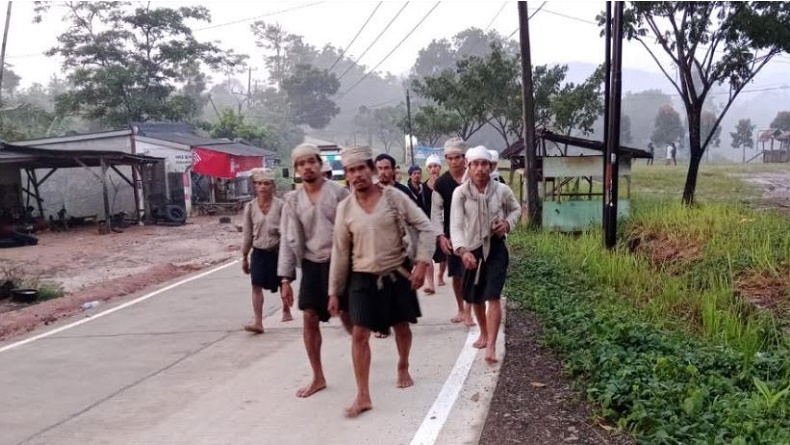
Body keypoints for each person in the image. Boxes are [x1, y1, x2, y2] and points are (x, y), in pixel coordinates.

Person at [328, 144, 437, 418]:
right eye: (350, 171)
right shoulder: (345, 208)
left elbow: (425, 227)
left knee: (401, 327)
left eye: (361, 169)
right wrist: (334, 291)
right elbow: (340, 252)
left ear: (373, 170)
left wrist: (422, 263)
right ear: (347, 175)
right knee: (360, 334)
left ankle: (402, 365)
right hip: (362, 278)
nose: (356, 175)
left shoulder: (393, 198)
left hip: (397, 273)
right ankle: (363, 394)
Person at [278, 143, 352, 398]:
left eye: (311, 161)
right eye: (301, 163)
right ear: (297, 169)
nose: (307, 167)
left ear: (320, 164)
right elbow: (289, 240)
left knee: (346, 314)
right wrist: (285, 278)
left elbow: (356, 229)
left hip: (340, 261)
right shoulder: (292, 200)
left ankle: (360, 346)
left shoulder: (340, 194)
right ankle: (318, 376)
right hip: (311, 264)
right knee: (309, 317)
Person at [450, 146, 521, 364]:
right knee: (476, 297)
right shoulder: (460, 193)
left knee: (493, 295)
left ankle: (491, 345)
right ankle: (484, 332)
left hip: (496, 247)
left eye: (484, 164)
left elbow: (516, 209)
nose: (480, 169)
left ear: (490, 167)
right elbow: (456, 225)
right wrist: (462, 251)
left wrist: (507, 224)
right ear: (468, 167)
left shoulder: (501, 190)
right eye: (475, 164)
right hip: (471, 250)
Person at [241, 168, 291, 333]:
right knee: (256, 285)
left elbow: (286, 233)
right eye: (259, 183)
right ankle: (258, 322)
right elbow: (247, 233)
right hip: (259, 251)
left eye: (266, 183)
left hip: (277, 251)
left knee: (282, 283)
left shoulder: (281, 206)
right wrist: (244, 256)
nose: (262, 187)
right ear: (255, 186)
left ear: (272, 186)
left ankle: (286, 308)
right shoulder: (250, 207)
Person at [432, 137, 474, 326]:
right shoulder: (441, 184)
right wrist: (441, 236)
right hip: (453, 235)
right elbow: (436, 212)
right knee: (456, 274)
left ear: (464, 158)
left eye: (456, 157)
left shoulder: (474, 178)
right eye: (449, 158)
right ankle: (461, 309)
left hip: (475, 233)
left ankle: (470, 309)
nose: (453, 161)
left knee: (473, 273)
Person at [406, 164, 434, 294]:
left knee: (426, 256)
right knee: (411, 256)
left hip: (424, 225)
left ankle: (431, 283)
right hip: (410, 228)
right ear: (410, 175)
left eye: (419, 173)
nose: (417, 175)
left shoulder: (425, 189)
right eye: (414, 173)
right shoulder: (406, 191)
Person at [423, 154, 447, 287]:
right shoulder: (423, 187)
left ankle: (440, 276)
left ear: (440, 168)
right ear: (428, 169)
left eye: (436, 166)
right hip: (427, 224)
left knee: (444, 254)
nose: (433, 169)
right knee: (427, 254)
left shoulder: (445, 184)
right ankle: (430, 282)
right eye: (431, 166)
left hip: (442, 224)